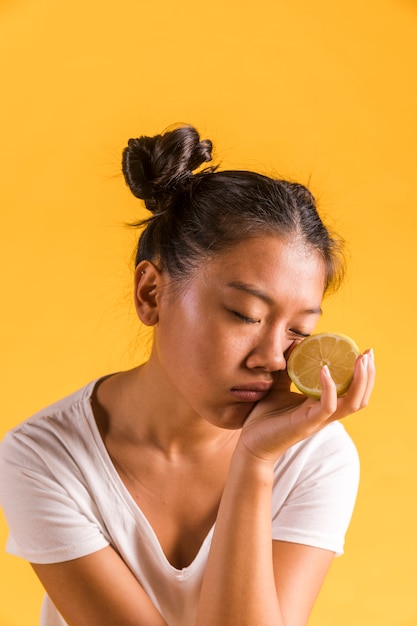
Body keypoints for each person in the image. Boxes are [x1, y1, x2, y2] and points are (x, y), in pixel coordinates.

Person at [0, 124, 375, 626]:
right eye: (245, 315)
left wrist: (256, 462)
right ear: (152, 292)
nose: (272, 357)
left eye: (300, 331)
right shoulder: (43, 458)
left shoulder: (316, 456)